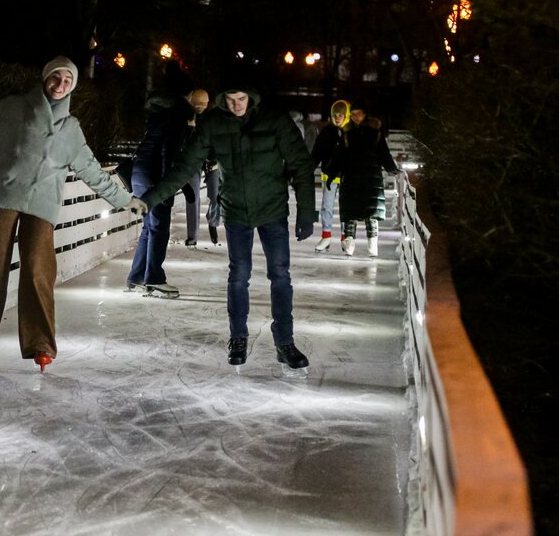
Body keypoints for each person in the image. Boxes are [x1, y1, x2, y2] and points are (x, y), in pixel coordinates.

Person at [0, 57, 147, 371]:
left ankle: (41, 345)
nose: (60, 85)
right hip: (1, 197)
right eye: (56, 78)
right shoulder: (13, 108)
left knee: (38, 272)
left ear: (73, 86)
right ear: (45, 78)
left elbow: (92, 171)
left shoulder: (71, 130)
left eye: (67, 81)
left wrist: (125, 199)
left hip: (42, 206)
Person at [139, 84, 316, 370]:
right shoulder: (213, 123)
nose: (236, 105)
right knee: (239, 275)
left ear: (253, 97)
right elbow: (184, 168)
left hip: (272, 209)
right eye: (231, 100)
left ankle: (285, 341)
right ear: (222, 100)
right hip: (236, 210)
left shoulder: (275, 120)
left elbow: (300, 164)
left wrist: (307, 211)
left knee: (280, 275)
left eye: (242, 98)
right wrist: (149, 199)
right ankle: (238, 338)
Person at [125, 60, 194, 298]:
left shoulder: (158, 114)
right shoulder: (176, 117)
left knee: (150, 227)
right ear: (186, 96)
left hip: (141, 173)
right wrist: (166, 189)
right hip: (155, 177)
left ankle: (136, 277)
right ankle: (153, 278)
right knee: (159, 228)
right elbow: (169, 154)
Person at [324, 100, 400, 257]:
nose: (354, 117)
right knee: (353, 214)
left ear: (365, 114)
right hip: (356, 180)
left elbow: (384, 155)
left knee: (369, 215)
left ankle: (372, 245)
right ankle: (351, 245)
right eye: (352, 114)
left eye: (357, 113)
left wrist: (393, 170)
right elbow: (338, 157)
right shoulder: (348, 135)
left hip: (367, 180)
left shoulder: (374, 135)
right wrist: (331, 173)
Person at [180, 88, 223, 246]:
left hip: (212, 160)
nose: (199, 107)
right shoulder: (185, 118)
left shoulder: (213, 119)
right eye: (197, 104)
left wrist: (215, 159)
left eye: (202, 105)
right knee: (193, 197)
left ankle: (213, 222)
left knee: (215, 195)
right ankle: (192, 236)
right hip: (193, 162)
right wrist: (189, 128)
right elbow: (182, 142)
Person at [309, 98, 351, 251]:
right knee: (326, 206)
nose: (338, 117)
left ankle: (345, 237)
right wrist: (308, 169)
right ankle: (326, 236)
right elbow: (316, 153)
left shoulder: (352, 133)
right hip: (329, 177)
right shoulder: (327, 132)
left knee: (345, 207)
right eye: (335, 115)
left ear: (346, 115)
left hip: (347, 177)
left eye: (341, 114)